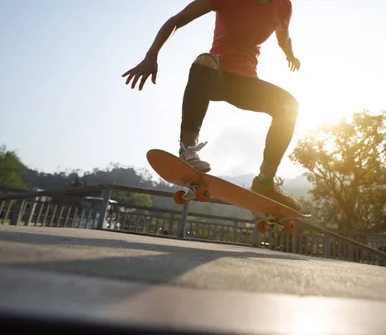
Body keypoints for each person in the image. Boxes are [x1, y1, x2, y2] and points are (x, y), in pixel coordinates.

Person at [122, 0, 302, 212]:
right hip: (215, 78)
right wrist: (151, 55)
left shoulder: (282, 5)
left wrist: (290, 54)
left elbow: (284, 36)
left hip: (246, 86)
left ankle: (265, 182)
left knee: (289, 105)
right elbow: (177, 20)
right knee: (205, 60)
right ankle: (188, 150)